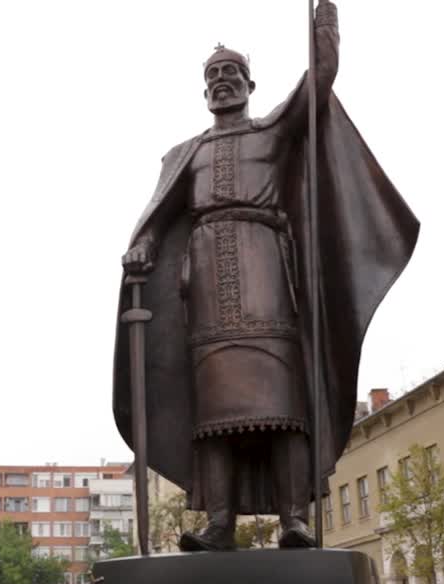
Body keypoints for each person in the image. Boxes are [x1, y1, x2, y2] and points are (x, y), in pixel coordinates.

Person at [112, 0, 418, 551]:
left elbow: (320, 76)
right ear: (203, 91)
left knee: (283, 403)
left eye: (232, 73)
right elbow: (158, 219)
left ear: (251, 83)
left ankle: (293, 519)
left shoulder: (276, 129)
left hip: (267, 269)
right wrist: (144, 244)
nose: (222, 81)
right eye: (213, 76)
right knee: (213, 408)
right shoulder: (186, 153)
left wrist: (325, 17)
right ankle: (219, 524)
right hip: (204, 278)